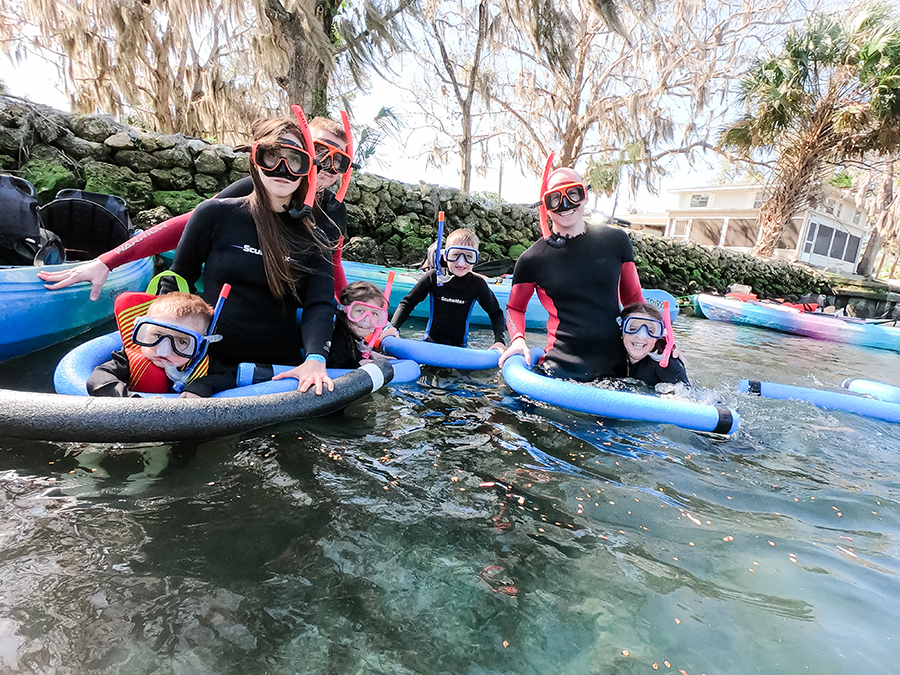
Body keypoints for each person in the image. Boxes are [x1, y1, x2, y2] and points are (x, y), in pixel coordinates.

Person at [37, 115, 355, 299]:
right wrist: (107, 261)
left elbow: (334, 266)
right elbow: (189, 224)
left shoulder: (333, 214)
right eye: (319, 151)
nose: (328, 164)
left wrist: (354, 310)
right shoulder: (257, 190)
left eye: (338, 159)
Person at [161, 112, 336, 394]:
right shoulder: (215, 214)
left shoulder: (316, 237)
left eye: (294, 160)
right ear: (256, 157)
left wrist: (316, 359)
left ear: (307, 168)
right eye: (272, 156)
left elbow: (320, 304)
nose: (283, 169)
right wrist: (164, 337)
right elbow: (177, 280)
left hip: (277, 372)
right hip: (209, 362)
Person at [499, 164, 644, 380]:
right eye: (555, 198)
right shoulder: (532, 259)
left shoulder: (616, 242)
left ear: (584, 196)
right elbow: (514, 308)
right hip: (559, 370)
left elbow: (633, 300)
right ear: (546, 205)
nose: (565, 204)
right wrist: (518, 339)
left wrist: (663, 340)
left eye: (573, 193)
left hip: (615, 371)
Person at [87, 292, 232, 398]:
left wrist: (201, 387)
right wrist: (131, 402)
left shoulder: (202, 363)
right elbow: (98, 379)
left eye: (182, 342)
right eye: (157, 335)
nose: (164, 351)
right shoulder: (127, 359)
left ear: (200, 345)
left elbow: (228, 377)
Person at [390, 228, 506, 350]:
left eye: (468, 256)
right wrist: (393, 327)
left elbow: (496, 313)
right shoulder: (433, 277)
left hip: (459, 349)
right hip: (430, 345)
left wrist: (500, 342)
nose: (461, 262)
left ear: (475, 259)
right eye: (455, 255)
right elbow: (408, 303)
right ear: (445, 256)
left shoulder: (477, 284)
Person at [327, 281, 398, 368]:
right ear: (345, 309)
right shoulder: (336, 336)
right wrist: (359, 365)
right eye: (360, 311)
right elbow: (335, 365)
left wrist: (369, 354)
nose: (366, 320)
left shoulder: (353, 335)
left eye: (374, 314)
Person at [618, 302, 690, 387]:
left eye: (651, 331)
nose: (641, 336)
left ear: (658, 336)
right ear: (621, 329)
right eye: (633, 329)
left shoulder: (664, 365)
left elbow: (688, 397)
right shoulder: (613, 355)